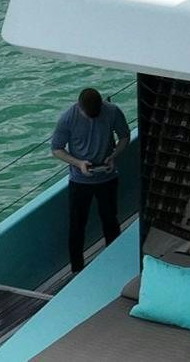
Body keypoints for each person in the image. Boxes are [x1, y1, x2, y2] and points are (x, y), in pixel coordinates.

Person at [51, 87, 129, 273]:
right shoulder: (67, 118)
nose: (93, 117)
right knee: (77, 226)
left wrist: (113, 156)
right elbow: (57, 149)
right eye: (89, 115)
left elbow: (124, 136)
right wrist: (78, 163)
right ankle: (77, 269)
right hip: (80, 181)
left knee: (110, 221)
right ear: (80, 107)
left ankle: (114, 262)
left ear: (102, 105)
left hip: (107, 177)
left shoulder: (112, 111)